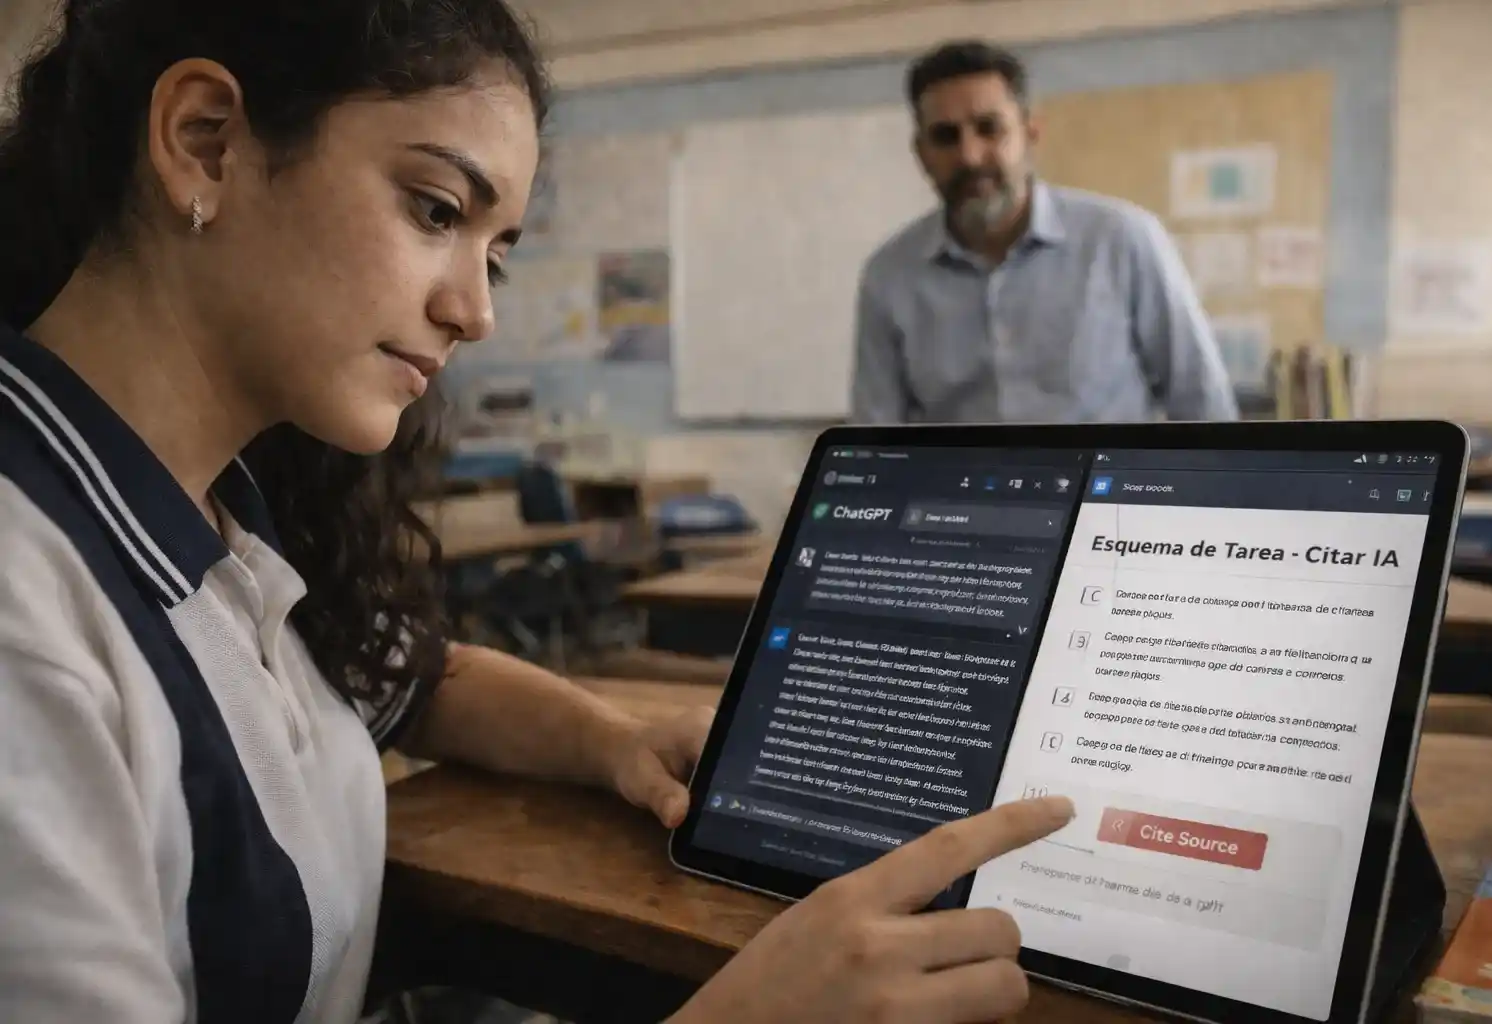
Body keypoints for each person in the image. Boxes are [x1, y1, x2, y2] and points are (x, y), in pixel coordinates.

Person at [0, 3, 1075, 1023]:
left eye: (498, 252)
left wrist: (611, 741)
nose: (474, 310)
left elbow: (413, 681)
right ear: (205, 142)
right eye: (435, 210)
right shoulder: (29, 614)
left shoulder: (230, 504)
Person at [850, 40, 1240, 425]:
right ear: (921, 153)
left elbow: (1202, 401)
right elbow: (875, 433)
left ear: (1031, 132)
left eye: (989, 128)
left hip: (1108, 487)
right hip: (963, 489)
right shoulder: (890, 276)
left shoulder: (1121, 240)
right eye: (946, 136)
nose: (969, 156)